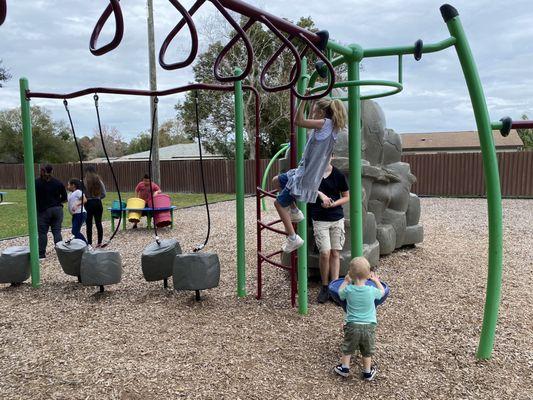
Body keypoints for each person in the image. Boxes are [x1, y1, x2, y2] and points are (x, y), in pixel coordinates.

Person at [273, 96, 347, 253]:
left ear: (321, 112)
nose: (312, 113)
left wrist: (303, 100)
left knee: (278, 204)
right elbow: (310, 119)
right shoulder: (333, 127)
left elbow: (298, 121)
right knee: (277, 180)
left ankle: (293, 238)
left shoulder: (323, 124)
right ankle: (294, 211)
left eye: (314, 110)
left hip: (304, 177)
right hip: (303, 172)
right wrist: (312, 102)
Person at [334, 257, 385, 381]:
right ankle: (367, 372)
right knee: (367, 350)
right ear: (368, 275)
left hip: (352, 325)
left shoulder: (349, 289)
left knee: (348, 347)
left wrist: (346, 281)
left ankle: (344, 368)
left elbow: (340, 293)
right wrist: (377, 281)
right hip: (369, 325)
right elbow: (382, 292)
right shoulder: (371, 290)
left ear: (350, 274)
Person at [309, 156, 349, 303]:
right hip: (319, 219)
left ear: (332, 156)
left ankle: (335, 287)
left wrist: (333, 204)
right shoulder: (314, 174)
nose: (325, 158)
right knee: (325, 253)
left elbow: (346, 196)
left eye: (328, 155)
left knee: (335, 253)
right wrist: (321, 195)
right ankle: (325, 286)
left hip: (336, 218)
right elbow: (307, 190)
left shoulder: (338, 174)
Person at [35, 164, 68, 259]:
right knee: (57, 232)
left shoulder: (36, 183)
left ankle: (41, 254)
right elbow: (65, 199)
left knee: (42, 233)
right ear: (52, 171)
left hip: (43, 211)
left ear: (41, 171)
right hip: (57, 210)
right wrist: (56, 202)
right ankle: (60, 253)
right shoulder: (58, 183)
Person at [84, 166, 106, 248]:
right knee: (98, 223)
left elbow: (82, 194)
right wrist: (98, 198)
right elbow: (104, 194)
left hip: (88, 203)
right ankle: (99, 242)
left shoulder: (84, 182)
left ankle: (89, 243)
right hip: (97, 203)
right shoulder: (99, 181)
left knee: (88, 224)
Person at [67, 178, 87, 243]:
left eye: (69, 185)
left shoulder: (78, 192)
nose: (67, 186)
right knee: (76, 231)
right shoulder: (70, 193)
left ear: (73, 185)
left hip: (80, 213)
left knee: (74, 231)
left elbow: (84, 200)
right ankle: (78, 244)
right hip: (75, 215)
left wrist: (77, 205)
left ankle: (86, 245)